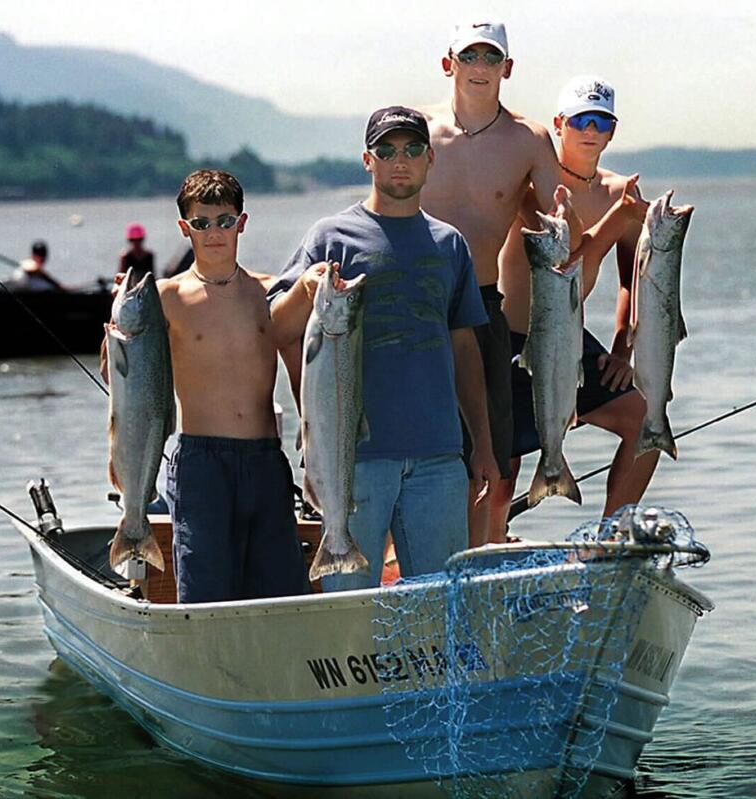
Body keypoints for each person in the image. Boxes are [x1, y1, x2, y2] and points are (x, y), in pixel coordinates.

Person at [269, 106, 499, 591]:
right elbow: (273, 327)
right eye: (387, 150)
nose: (401, 160)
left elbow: (464, 348)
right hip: (353, 461)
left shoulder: (450, 244)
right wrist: (305, 291)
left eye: (412, 149)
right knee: (347, 609)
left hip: (439, 458)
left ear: (429, 159)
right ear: (367, 160)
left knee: (440, 607)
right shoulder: (329, 236)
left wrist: (482, 442)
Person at [102, 169, 315, 603]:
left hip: (265, 460)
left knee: (283, 593)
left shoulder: (270, 292)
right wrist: (114, 328)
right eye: (201, 223)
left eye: (224, 220)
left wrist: (314, 445)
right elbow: (120, 376)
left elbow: (303, 372)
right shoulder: (163, 297)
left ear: (242, 222)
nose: (214, 232)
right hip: (200, 464)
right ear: (185, 228)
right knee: (205, 595)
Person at [418, 20, 579, 548]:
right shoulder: (417, 134)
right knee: (412, 449)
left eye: (491, 58)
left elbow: (562, 220)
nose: (480, 68)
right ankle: (416, 560)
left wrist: (567, 216)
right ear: (449, 63)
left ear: (507, 68)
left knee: (492, 457)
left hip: (484, 306)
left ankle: (481, 559)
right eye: (471, 57)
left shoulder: (528, 139)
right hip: (416, 309)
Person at [493, 75, 655, 542]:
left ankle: (609, 538)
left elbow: (633, 281)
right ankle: (486, 548)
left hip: (569, 335)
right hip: (512, 335)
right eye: (580, 120)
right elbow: (561, 259)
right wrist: (618, 218)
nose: (590, 131)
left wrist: (624, 351)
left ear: (612, 131)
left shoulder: (619, 190)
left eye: (601, 122)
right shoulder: (533, 183)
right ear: (559, 125)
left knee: (645, 422)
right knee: (503, 471)